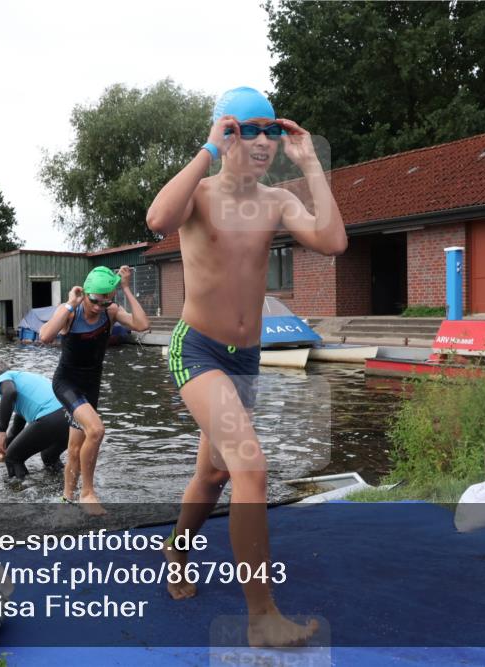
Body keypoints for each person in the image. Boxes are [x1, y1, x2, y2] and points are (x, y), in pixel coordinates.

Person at [146, 86, 346, 647]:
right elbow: (158, 217)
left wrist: (311, 166)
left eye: (271, 131)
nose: (263, 141)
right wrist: (208, 151)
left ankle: (178, 549)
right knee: (249, 467)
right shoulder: (201, 194)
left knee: (212, 474)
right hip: (199, 348)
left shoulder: (278, 200)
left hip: (246, 357)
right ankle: (262, 617)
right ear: (225, 131)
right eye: (248, 129)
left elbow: (333, 241)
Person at [39, 265, 150, 512]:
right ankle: (87, 493)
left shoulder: (110, 312)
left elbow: (142, 325)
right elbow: (45, 336)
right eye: (95, 301)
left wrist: (126, 288)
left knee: (76, 447)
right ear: (85, 294)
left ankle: (66, 499)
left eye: (106, 301)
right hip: (66, 383)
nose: (100, 307)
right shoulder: (71, 312)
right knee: (97, 430)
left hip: (91, 385)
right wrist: (70, 303)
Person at [0, 357, 69, 480]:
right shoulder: (22, 382)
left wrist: (1, 432)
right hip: (71, 417)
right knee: (49, 457)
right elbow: (16, 430)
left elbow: (9, 393)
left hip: (52, 415)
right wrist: (3, 448)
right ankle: (66, 488)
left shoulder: (3, 378)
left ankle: (21, 495)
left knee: (13, 458)